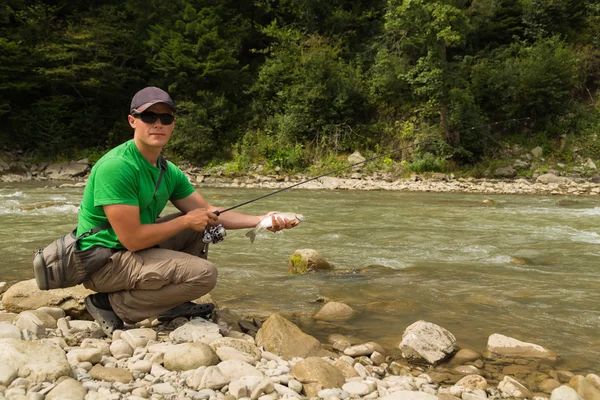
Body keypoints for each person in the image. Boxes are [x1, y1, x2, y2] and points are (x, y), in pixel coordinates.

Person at [77, 86, 299, 336]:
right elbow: (132, 239)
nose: (158, 124)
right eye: (149, 117)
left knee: (203, 221)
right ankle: (109, 305)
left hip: (130, 252)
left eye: (166, 118)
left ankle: (172, 303)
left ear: (173, 123)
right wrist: (185, 222)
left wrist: (262, 219)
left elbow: (208, 211)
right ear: (132, 121)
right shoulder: (117, 167)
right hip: (102, 262)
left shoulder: (166, 170)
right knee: (205, 275)